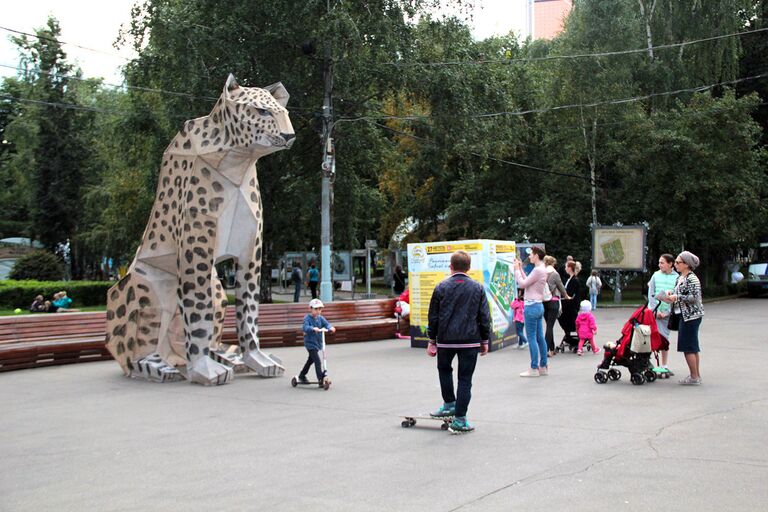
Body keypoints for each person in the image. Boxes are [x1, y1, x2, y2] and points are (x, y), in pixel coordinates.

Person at [427, 250, 490, 434]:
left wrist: (432, 340)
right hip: (470, 341)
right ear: (469, 268)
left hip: (446, 340)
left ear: (451, 267)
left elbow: (433, 316)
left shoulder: (440, 287)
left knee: (444, 371)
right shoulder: (477, 288)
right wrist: (484, 340)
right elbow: (484, 316)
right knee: (465, 379)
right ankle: (460, 419)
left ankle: (449, 404)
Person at [664, 251, 704, 385]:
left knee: (688, 347)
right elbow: (678, 293)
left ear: (687, 264)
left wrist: (677, 297)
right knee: (692, 347)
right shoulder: (680, 277)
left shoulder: (692, 278)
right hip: (682, 315)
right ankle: (696, 375)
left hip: (691, 316)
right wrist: (671, 294)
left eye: (677, 262)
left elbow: (694, 298)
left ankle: (694, 377)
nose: (675, 265)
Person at [514, 246, 549, 377]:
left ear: (536, 256)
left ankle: (534, 368)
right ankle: (543, 366)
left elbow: (522, 284)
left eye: (531, 254)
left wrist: (517, 271)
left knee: (532, 338)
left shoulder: (538, 270)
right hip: (538, 306)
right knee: (539, 337)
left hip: (531, 306)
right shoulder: (541, 269)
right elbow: (528, 282)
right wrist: (520, 269)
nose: (529, 256)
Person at [647, 254, 678, 373]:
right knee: (649, 337)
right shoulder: (655, 275)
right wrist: (656, 310)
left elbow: (676, 297)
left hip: (667, 314)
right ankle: (647, 361)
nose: (659, 265)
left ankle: (664, 365)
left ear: (670, 264)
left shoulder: (677, 278)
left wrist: (667, 312)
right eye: (659, 262)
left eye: (662, 263)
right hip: (654, 312)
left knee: (664, 338)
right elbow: (651, 294)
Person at [296, 298, 336, 387]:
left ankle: (302, 375)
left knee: (310, 360)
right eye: (316, 309)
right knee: (317, 361)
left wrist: (330, 328)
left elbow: (327, 324)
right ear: (310, 309)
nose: (318, 311)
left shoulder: (320, 318)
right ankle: (320, 379)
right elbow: (305, 327)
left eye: (320, 309)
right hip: (310, 344)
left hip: (318, 343)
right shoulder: (307, 318)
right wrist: (312, 328)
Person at [543, 256, 569, 357]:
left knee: (549, 326)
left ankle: (552, 349)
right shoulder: (555, 274)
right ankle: (545, 350)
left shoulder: (542, 273)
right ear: (553, 264)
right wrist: (567, 296)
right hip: (553, 302)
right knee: (550, 326)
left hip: (543, 302)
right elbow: (562, 288)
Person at [559, 260, 582, 346]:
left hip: (571, 305)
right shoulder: (571, 278)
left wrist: (563, 296)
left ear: (569, 268)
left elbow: (570, 293)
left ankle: (570, 336)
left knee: (567, 319)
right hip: (569, 303)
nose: (565, 268)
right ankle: (569, 336)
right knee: (565, 319)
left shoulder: (574, 280)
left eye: (566, 267)